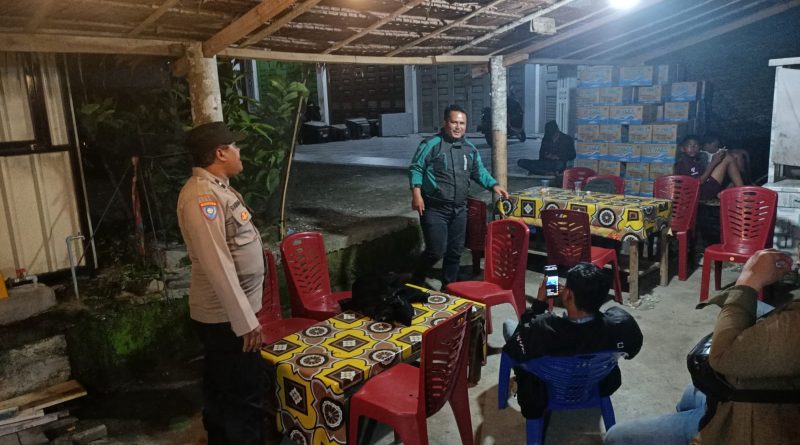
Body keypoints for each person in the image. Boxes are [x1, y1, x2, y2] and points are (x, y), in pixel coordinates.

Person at [604, 248, 800, 445]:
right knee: (691, 394)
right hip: (743, 395)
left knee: (617, 437)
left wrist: (748, 282)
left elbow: (722, 356)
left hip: (750, 416)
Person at [177, 121, 266, 445]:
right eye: (234, 146)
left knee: (222, 390)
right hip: (226, 320)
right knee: (245, 395)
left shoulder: (219, 189)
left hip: (229, 317)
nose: (239, 151)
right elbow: (218, 266)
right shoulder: (203, 197)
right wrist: (245, 322)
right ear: (220, 153)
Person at [503, 263, 643, 420]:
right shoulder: (621, 326)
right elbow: (632, 349)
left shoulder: (541, 328)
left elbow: (513, 348)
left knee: (509, 326)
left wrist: (539, 303)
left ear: (568, 294)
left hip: (546, 391)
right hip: (594, 384)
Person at [408, 104, 509, 289]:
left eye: (462, 123)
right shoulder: (431, 144)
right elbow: (416, 168)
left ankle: (449, 287)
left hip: (459, 209)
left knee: (455, 252)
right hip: (435, 208)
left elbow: (479, 172)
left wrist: (494, 185)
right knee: (436, 250)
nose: (458, 127)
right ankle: (415, 281)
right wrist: (416, 194)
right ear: (445, 122)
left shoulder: (469, 149)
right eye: (454, 122)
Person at [674, 135, 744, 201]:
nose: (693, 148)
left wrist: (715, 161)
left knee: (728, 160)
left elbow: (704, 174)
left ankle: (735, 191)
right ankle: (742, 193)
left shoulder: (694, 160)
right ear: (682, 149)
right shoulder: (683, 163)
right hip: (699, 194)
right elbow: (699, 182)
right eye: (689, 145)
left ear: (699, 148)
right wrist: (713, 163)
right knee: (728, 158)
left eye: (696, 145)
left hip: (702, 189)